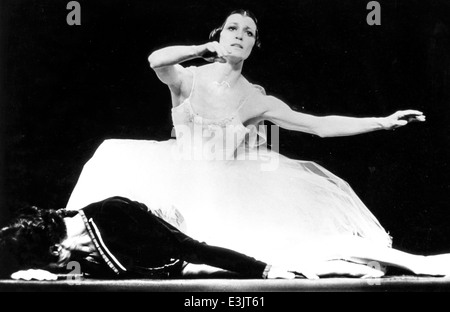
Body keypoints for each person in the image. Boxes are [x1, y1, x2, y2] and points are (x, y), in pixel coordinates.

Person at [63, 9, 450, 277]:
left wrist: (382, 122)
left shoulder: (257, 99)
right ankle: (63, 251)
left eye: (248, 33)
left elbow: (318, 126)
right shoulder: (189, 78)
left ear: (254, 46)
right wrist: (202, 49)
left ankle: (413, 263)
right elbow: (155, 60)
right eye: (233, 28)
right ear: (220, 35)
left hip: (227, 186)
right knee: (112, 153)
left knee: (264, 251)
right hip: (173, 176)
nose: (240, 36)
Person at [0, 196, 393, 281]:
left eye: (51, 261)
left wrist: (264, 269)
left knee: (278, 259)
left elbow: (191, 247)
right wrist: (42, 274)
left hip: (193, 237)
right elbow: (89, 270)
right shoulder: (72, 248)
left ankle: (354, 261)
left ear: (55, 247)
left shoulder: (110, 215)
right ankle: (347, 267)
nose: (58, 266)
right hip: (180, 262)